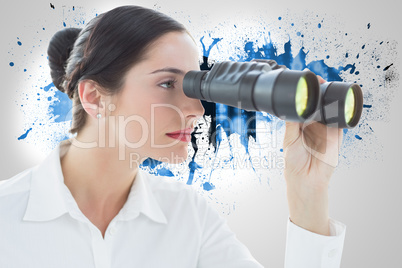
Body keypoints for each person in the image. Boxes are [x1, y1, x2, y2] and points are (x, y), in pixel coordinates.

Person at [0, 5, 346, 268]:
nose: (197, 111)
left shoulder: (188, 215)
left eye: (195, 84)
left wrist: (308, 193)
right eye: (167, 83)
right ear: (94, 97)